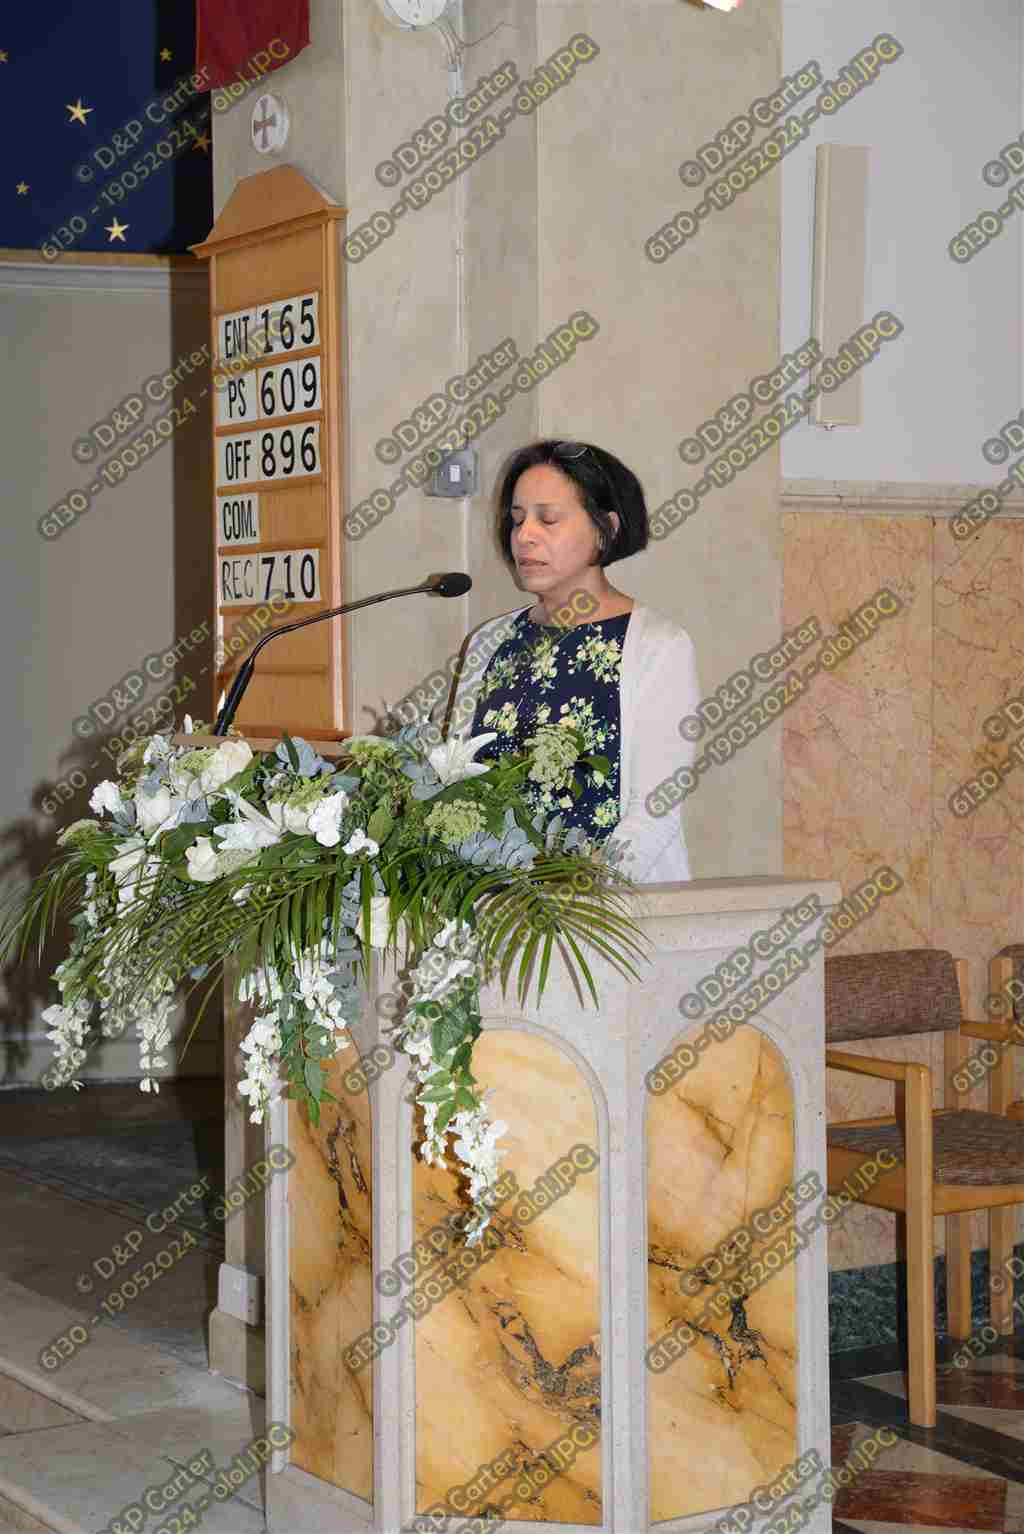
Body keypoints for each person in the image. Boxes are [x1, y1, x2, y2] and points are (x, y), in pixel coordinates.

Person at [443, 439, 701, 884]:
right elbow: (454, 778)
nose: (524, 535)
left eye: (548, 519)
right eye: (518, 519)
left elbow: (653, 815)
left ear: (605, 529)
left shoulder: (658, 646)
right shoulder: (489, 641)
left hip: (605, 910)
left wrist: (574, 899)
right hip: (492, 902)